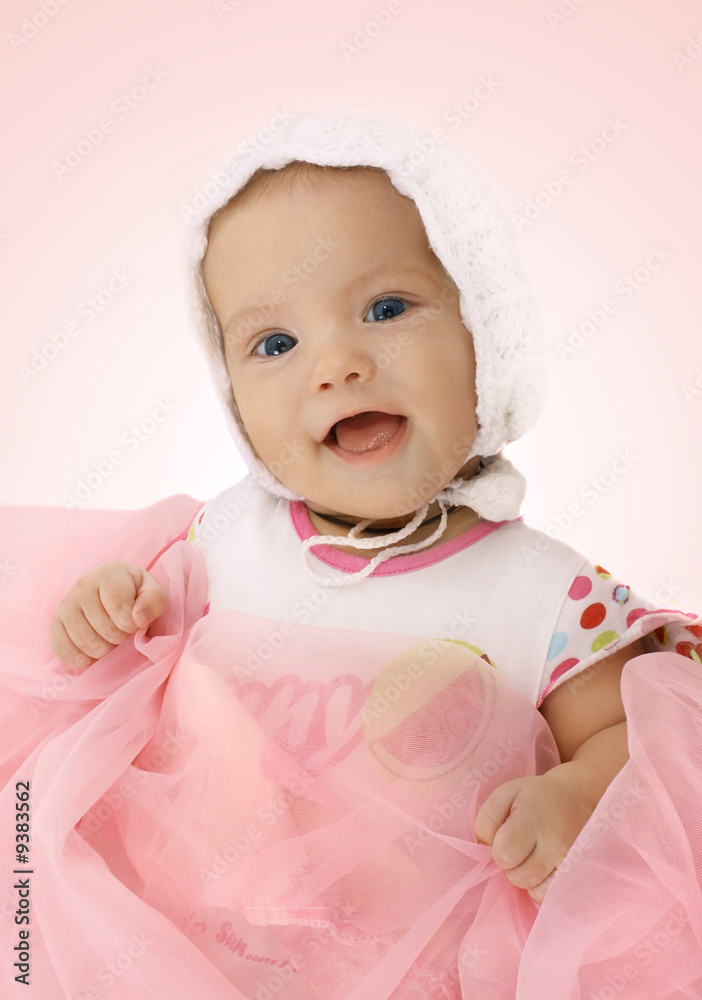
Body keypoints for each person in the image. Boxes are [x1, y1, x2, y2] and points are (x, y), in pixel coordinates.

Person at [8, 111, 702, 997]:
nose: (335, 364)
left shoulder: (547, 594)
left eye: (387, 309)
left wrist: (572, 798)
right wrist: (105, 605)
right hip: (199, 943)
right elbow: (144, 640)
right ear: (232, 394)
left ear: (486, 334)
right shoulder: (225, 541)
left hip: (427, 962)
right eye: (275, 344)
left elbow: (630, 741)